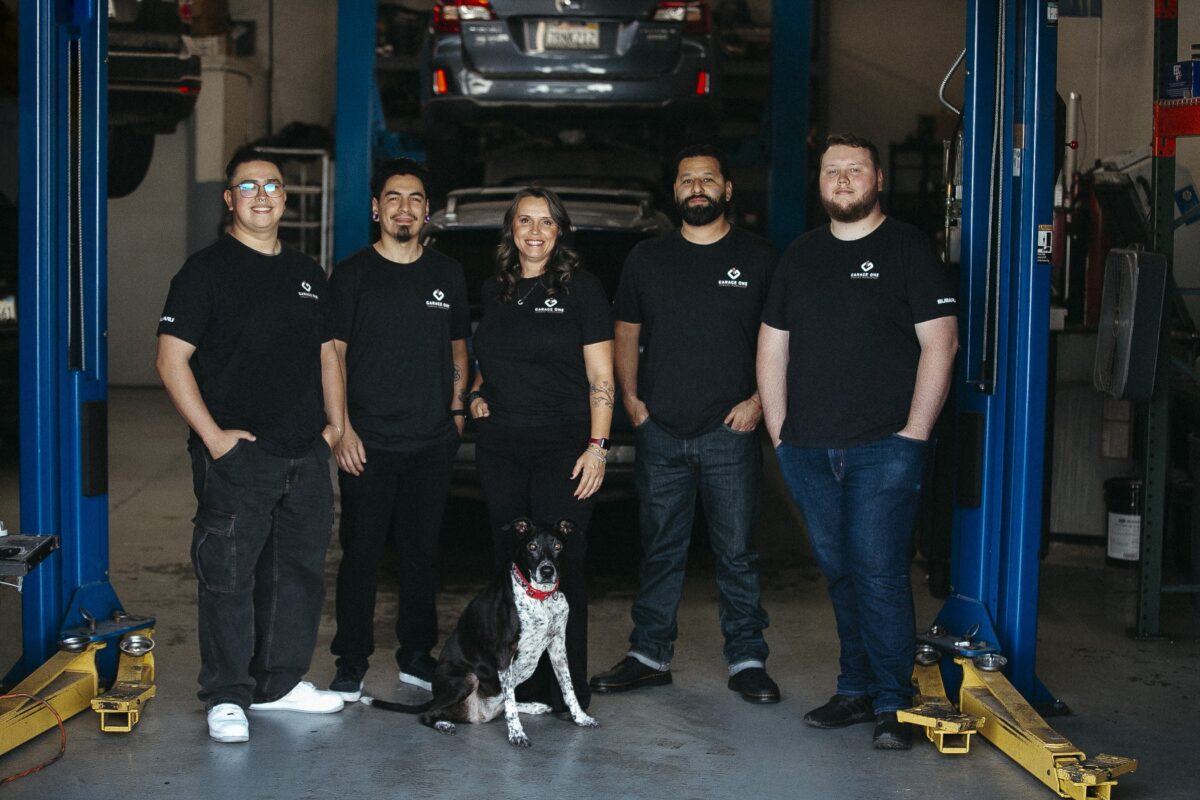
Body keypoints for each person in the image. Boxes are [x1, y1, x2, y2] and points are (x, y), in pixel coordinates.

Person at [757, 133, 959, 750]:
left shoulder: (908, 249)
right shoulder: (800, 254)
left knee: (878, 574)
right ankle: (855, 688)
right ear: (819, 183)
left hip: (883, 448)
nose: (842, 180)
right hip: (809, 449)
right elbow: (772, 346)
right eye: (831, 171)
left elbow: (940, 343)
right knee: (842, 573)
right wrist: (782, 434)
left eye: (854, 170)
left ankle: (896, 703)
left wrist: (914, 435)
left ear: (877, 181)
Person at [156, 147, 347, 744]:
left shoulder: (308, 275)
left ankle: (278, 684)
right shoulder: (205, 272)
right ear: (229, 198)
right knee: (229, 576)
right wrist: (214, 439)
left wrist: (334, 427)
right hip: (239, 457)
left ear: (285, 198)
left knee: (298, 575)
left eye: (272, 186)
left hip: (305, 454)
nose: (261, 195)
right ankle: (228, 695)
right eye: (248, 186)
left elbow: (326, 355)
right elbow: (171, 360)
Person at [589, 144, 780, 704]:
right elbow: (625, 331)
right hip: (662, 429)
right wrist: (631, 398)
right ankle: (649, 655)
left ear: (727, 190)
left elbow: (782, 342)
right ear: (674, 192)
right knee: (660, 548)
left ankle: (747, 659)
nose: (697, 187)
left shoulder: (761, 258)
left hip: (732, 429)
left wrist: (759, 404)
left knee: (737, 551)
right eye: (687, 179)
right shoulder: (648, 258)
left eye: (708, 179)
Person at [466, 187, 614, 713]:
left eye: (545, 222)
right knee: (512, 569)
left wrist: (597, 447)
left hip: (564, 449)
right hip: (502, 449)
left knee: (563, 567)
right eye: (524, 221)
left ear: (559, 231)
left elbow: (601, 375)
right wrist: (477, 392)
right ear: (511, 230)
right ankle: (517, 688)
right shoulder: (495, 290)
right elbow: (495, 360)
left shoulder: (584, 290)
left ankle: (566, 690)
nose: (534, 231)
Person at [326, 159, 469, 700]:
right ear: (375, 208)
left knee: (421, 553)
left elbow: (458, 347)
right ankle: (351, 659)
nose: (404, 208)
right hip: (369, 442)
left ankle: (415, 654)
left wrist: (455, 410)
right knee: (361, 555)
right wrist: (342, 430)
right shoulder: (353, 274)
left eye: (414, 198)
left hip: (431, 441)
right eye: (393, 198)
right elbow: (333, 356)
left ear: (426, 210)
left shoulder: (447, 273)